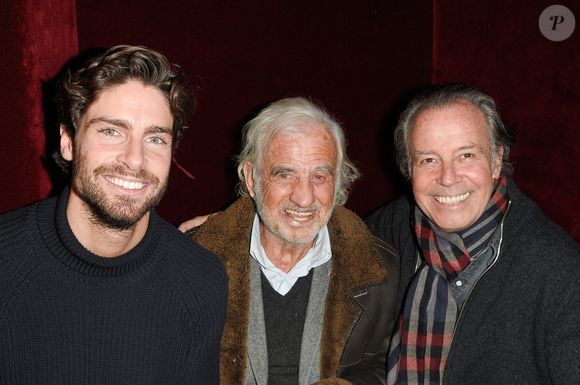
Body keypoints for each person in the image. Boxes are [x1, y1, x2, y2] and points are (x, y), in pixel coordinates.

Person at [0, 45, 228, 384]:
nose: (134, 159)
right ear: (68, 141)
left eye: (155, 138)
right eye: (111, 131)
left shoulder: (202, 281)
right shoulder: (6, 263)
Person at [365, 83, 580, 385]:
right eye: (428, 160)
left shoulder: (558, 271)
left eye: (466, 155)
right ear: (408, 169)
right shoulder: (393, 228)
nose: (448, 178)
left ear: (496, 160)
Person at [184, 97, 399, 385]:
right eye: (285, 174)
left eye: (320, 176)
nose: (304, 197)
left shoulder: (380, 270)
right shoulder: (191, 263)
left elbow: (385, 363)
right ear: (251, 179)